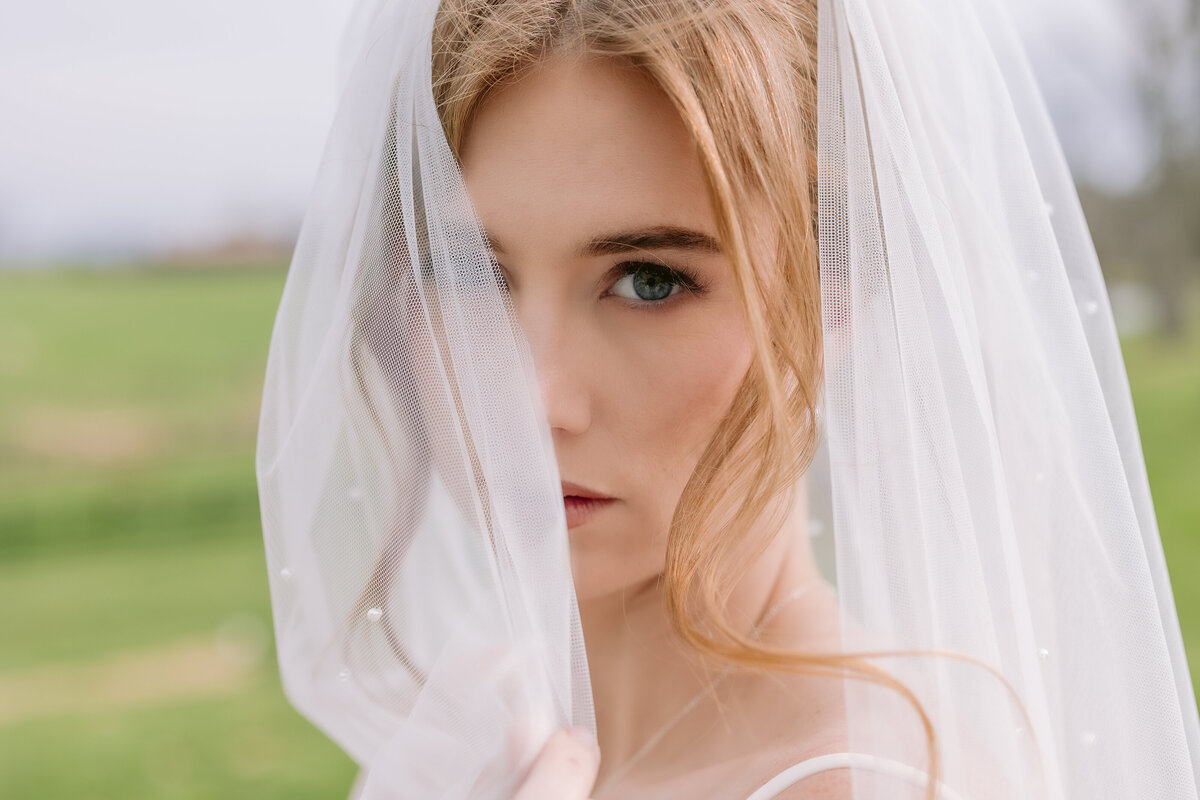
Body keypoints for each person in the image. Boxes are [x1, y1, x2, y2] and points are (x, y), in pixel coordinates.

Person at [255, 0, 1200, 798]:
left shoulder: (863, 784)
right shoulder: (488, 720)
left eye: (651, 281)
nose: (534, 399)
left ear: (838, 291)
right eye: (469, 272)